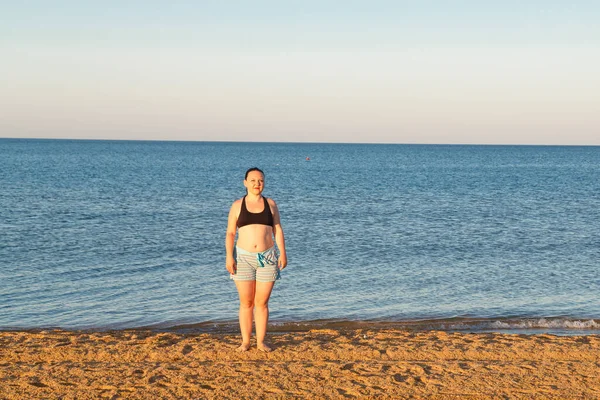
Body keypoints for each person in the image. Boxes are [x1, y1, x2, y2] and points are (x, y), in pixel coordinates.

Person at [225, 167, 287, 352]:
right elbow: (230, 233)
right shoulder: (237, 205)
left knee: (261, 303)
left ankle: (260, 342)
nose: (257, 184)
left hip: (268, 257)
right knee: (246, 302)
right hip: (243, 258)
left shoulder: (271, 204)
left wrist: (282, 252)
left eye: (260, 180)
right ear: (245, 183)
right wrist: (229, 256)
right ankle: (245, 342)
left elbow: (278, 230)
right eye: (252, 180)